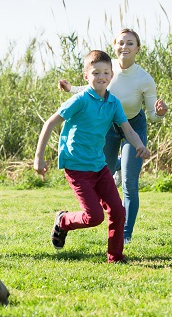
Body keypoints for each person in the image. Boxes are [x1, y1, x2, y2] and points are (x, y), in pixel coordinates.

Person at [35, 50, 150, 263]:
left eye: (106, 72)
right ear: (86, 76)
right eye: (96, 72)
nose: (102, 77)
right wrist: (38, 159)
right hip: (77, 167)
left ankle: (115, 256)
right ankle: (63, 220)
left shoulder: (113, 103)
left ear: (112, 75)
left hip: (99, 166)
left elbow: (128, 129)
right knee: (94, 217)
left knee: (117, 210)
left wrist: (140, 146)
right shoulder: (79, 100)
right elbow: (49, 123)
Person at [58, 29, 167, 244]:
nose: (124, 47)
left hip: (133, 126)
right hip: (108, 126)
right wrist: (71, 89)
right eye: (120, 43)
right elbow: (93, 85)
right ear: (115, 45)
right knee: (102, 174)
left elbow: (153, 116)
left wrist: (160, 113)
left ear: (138, 48)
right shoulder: (108, 68)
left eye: (130, 43)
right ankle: (118, 165)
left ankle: (126, 233)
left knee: (129, 183)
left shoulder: (144, 78)